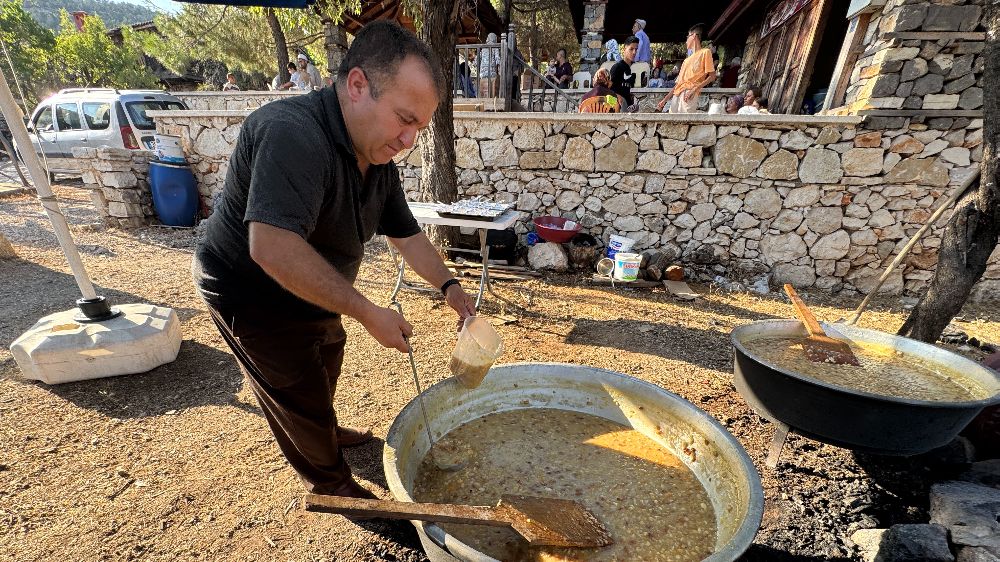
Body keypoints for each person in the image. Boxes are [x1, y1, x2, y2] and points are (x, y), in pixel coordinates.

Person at [191, 20, 477, 499]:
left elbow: (406, 234)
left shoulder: (377, 154)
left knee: (326, 358)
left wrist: (450, 288)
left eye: (419, 128)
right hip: (251, 288)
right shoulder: (291, 133)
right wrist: (367, 311)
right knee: (296, 384)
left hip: (314, 284)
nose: (409, 140)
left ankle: (323, 428)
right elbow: (273, 247)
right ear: (358, 85)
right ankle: (331, 484)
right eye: (404, 119)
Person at [656, 24, 716, 113]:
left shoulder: (705, 52)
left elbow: (712, 76)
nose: (686, 40)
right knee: (671, 122)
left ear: (694, 36)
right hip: (677, 93)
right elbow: (678, 84)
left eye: (688, 37)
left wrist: (694, 89)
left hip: (689, 92)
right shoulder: (686, 60)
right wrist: (665, 100)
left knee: (684, 122)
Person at [610, 36, 639, 111]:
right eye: (631, 49)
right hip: (618, 107)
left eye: (636, 49)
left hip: (631, 108)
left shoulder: (637, 68)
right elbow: (608, 90)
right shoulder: (617, 68)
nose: (634, 52)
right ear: (624, 49)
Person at [478, 33, 501, 97]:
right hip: (491, 73)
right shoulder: (495, 47)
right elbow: (497, 60)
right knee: (494, 80)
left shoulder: (483, 48)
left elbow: (476, 61)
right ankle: (492, 97)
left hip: (482, 73)